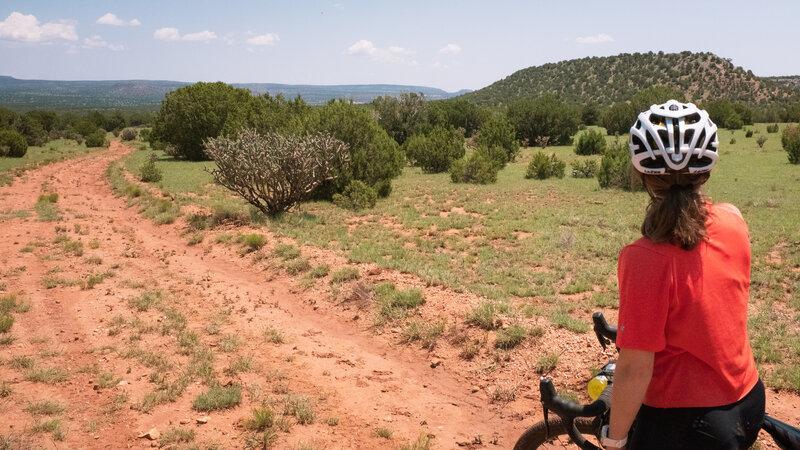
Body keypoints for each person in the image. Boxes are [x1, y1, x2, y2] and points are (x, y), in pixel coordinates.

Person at [602, 100, 765, 450]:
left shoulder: (643, 257)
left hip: (688, 422)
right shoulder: (734, 221)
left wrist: (614, 440)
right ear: (705, 171)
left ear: (643, 175)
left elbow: (634, 368)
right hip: (748, 399)